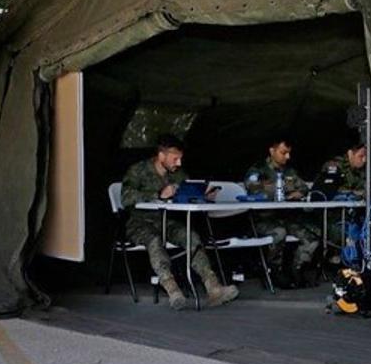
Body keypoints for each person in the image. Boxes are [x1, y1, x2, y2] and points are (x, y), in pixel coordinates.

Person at [120, 133, 239, 310]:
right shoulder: (138, 171)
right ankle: (172, 290)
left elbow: (187, 193)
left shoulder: (178, 174)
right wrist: (158, 195)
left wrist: (203, 194)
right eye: (175, 159)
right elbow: (126, 198)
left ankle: (213, 287)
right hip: (140, 223)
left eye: (180, 159)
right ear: (161, 155)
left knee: (190, 236)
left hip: (167, 222)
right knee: (154, 241)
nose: (179, 163)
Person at [243, 136, 320, 288]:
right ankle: (273, 269)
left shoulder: (289, 171)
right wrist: (283, 191)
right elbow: (254, 190)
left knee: (313, 235)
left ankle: (297, 268)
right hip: (264, 219)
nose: (287, 157)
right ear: (272, 151)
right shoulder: (258, 170)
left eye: (289, 153)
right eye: (283, 153)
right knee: (279, 232)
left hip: (286, 217)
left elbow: (303, 188)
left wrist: (297, 194)